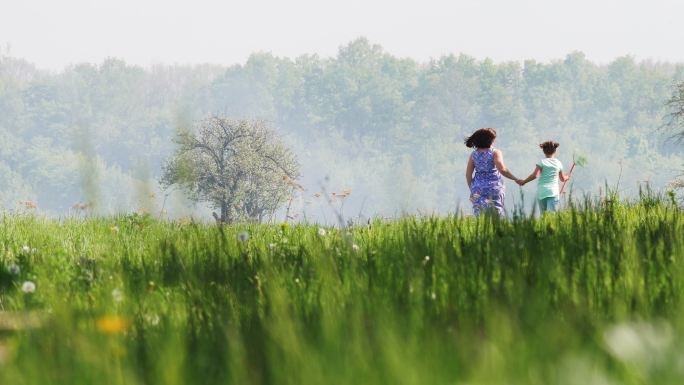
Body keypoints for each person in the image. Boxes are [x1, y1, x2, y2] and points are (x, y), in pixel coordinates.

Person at [465, 128, 521, 216]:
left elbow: (468, 175)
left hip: (477, 189)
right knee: (496, 213)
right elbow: (502, 169)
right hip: (494, 187)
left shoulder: (474, 154)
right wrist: (515, 178)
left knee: (479, 214)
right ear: (490, 140)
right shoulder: (495, 152)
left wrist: (473, 189)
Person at [518, 141, 571, 213]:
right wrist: (567, 177)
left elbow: (534, 175)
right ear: (555, 151)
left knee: (544, 216)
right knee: (552, 216)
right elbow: (562, 179)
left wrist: (524, 182)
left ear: (544, 151)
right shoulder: (558, 163)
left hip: (542, 192)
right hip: (553, 192)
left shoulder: (542, 162)